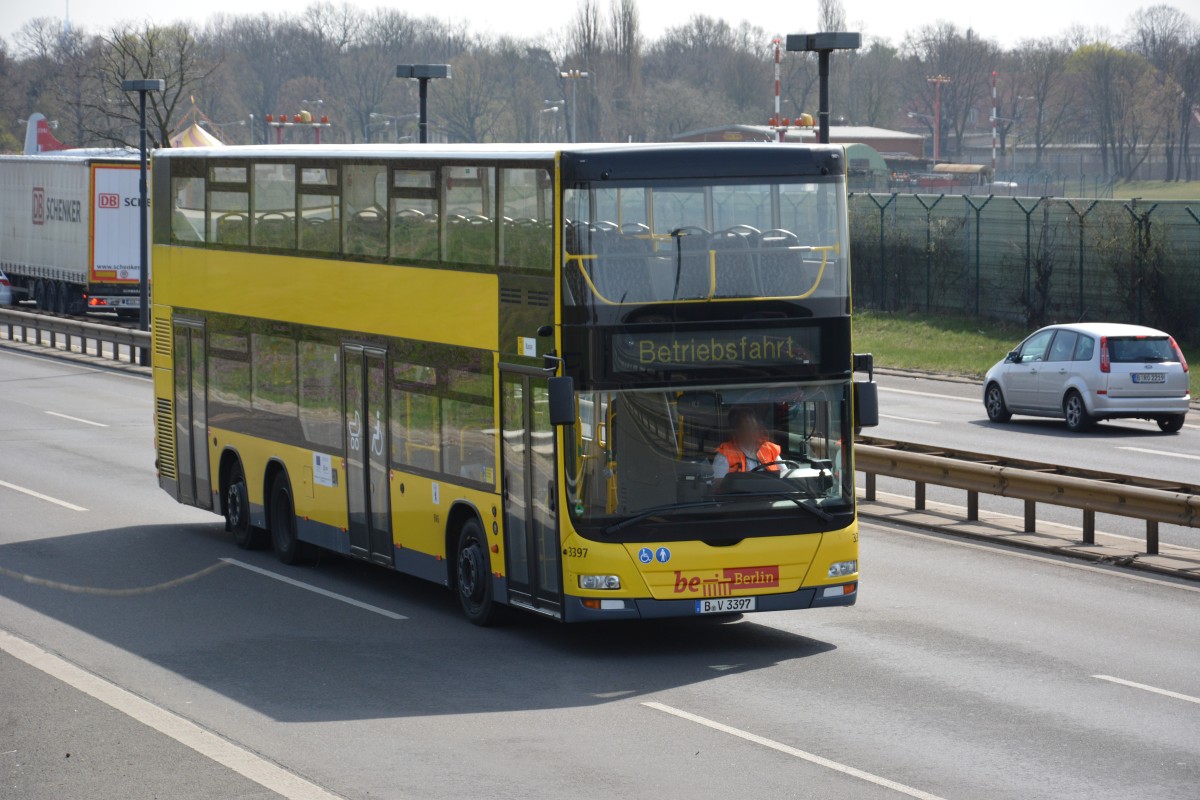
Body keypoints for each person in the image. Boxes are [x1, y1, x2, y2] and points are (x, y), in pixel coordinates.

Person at [712, 406, 781, 481]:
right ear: (736, 430)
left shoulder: (769, 449)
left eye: (753, 424)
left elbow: (787, 476)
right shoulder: (725, 455)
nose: (752, 429)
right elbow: (717, 486)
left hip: (771, 492)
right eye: (747, 425)